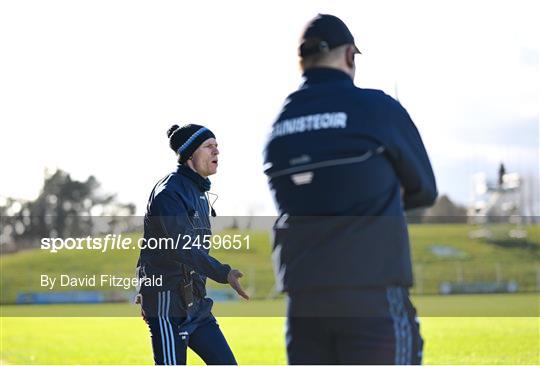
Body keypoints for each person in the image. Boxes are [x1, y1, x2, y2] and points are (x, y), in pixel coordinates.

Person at [263, 14, 437, 365]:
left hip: (304, 302)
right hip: (371, 295)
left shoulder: (278, 128)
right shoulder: (376, 109)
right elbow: (424, 190)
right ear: (349, 56)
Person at [136, 123, 249, 365]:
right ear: (190, 155)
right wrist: (223, 272)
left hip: (196, 302)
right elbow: (181, 246)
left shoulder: (198, 193)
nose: (216, 152)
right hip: (167, 302)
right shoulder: (169, 193)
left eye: (217, 146)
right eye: (209, 146)